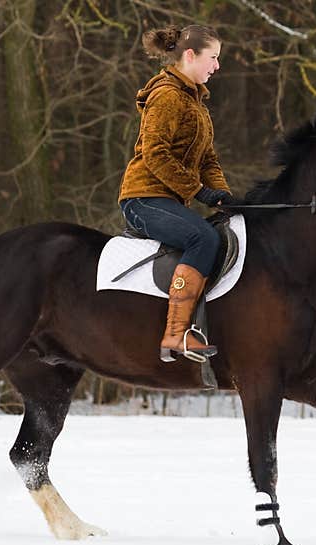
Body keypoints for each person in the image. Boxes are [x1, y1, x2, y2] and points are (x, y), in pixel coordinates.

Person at [118, 24, 234, 363]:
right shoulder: (168, 96)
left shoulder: (196, 102)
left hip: (169, 199)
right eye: (212, 58)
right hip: (143, 197)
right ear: (189, 55)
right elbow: (156, 154)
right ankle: (175, 334)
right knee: (202, 238)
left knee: (215, 232)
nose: (216, 66)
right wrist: (199, 191)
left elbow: (208, 159)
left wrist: (224, 196)